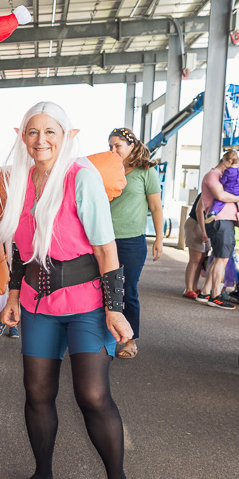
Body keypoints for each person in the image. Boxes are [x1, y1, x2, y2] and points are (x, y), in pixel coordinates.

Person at [0, 102, 134, 479]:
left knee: (92, 395)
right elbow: (21, 249)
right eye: (33, 132)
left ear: (66, 134)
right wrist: (13, 295)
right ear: (23, 136)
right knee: (36, 392)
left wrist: (116, 308)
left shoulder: (82, 177)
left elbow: (105, 249)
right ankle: (43, 472)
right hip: (38, 304)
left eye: (50, 132)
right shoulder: (19, 179)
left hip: (86, 303)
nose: (41, 140)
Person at [107, 127, 164, 359]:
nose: (113, 150)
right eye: (110, 146)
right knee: (104, 291)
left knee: (127, 291)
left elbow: (156, 207)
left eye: (117, 146)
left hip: (131, 241)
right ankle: (103, 340)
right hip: (104, 240)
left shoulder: (146, 171)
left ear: (131, 146)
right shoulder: (108, 169)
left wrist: (159, 238)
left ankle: (130, 341)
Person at [195, 150, 239, 310]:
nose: (234, 171)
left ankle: (206, 292)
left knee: (218, 258)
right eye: (234, 166)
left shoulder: (219, 177)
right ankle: (216, 296)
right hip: (221, 221)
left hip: (222, 221)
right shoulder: (212, 175)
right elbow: (221, 196)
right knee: (222, 260)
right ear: (228, 161)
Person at [182, 193, 209, 299]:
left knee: (201, 258)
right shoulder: (207, 192)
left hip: (203, 225)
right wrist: (203, 231)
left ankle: (194, 286)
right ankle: (188, 289)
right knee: (195, 259)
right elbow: (199, 211)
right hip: (195, 224)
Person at [205, 159, 239, 223]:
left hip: (228, 189)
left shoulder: (227, 172)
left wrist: (221, 180)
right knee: (237, 203)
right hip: (237, 190)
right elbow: (221, 196)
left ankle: (213, 212)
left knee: (219, 202)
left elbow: (223, 182)